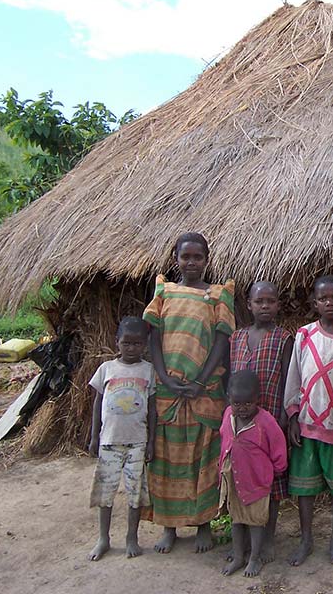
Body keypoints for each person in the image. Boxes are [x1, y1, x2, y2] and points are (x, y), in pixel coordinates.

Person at [143, 232, 235, 554]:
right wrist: (164, 378)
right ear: (176, 259)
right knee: (167, 460)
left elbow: (222, 342)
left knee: (202, 459)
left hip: (204, 392)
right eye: (186, 257)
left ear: (207, 260)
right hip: (169, 393)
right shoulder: (164, 292)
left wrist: (200, 381)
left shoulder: (219, 295)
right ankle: (168, 526)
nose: (191, 262)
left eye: (198, 257)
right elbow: (153, 338)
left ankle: (202, 525)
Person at [283, 275, 333, 566]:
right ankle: (306, 539)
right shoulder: (305, 335)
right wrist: (292, 416)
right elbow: (295, 377)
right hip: (306, 423)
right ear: (315, 303)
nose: (330, 302)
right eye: (323, 298)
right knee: (305, 487)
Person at [229, 281, 293, 563]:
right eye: (259, 302)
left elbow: (289, 379)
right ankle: (243, 541)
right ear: (249, 305)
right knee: (243, 479)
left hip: (271, 421)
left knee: (271, 482)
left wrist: (283, 417)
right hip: (242, 425)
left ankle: (267, 537)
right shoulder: (237, 338)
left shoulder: (284, 338)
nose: (264, 306)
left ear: (278, 305)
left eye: (270, 301)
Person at [87, 316, 156, 561]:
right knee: (105, 492)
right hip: (109, 441)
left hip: (137, 441)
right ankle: (103, 538)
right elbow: (97, 404)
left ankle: (131, 538)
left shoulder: (148, 370)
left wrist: (151, 442)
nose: (131, 348)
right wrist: (94, 436)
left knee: (135, 493)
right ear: (117, 342)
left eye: (137, 344)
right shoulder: (106, 369)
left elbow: (153, 409)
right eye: (126, 343)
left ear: (145, 345)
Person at [218, 370, 288, 578]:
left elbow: (278, 447)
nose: (242, 408)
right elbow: (224, 439)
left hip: (257, 482)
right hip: (233, 480)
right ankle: (239, 556)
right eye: (237, 403)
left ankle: (254, 558)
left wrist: (277, 469)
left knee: (256, 522)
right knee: (237, 520)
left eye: (248, 403)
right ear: (229, 398)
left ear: (257, 399)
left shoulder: (265, 421)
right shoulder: (228, 415)